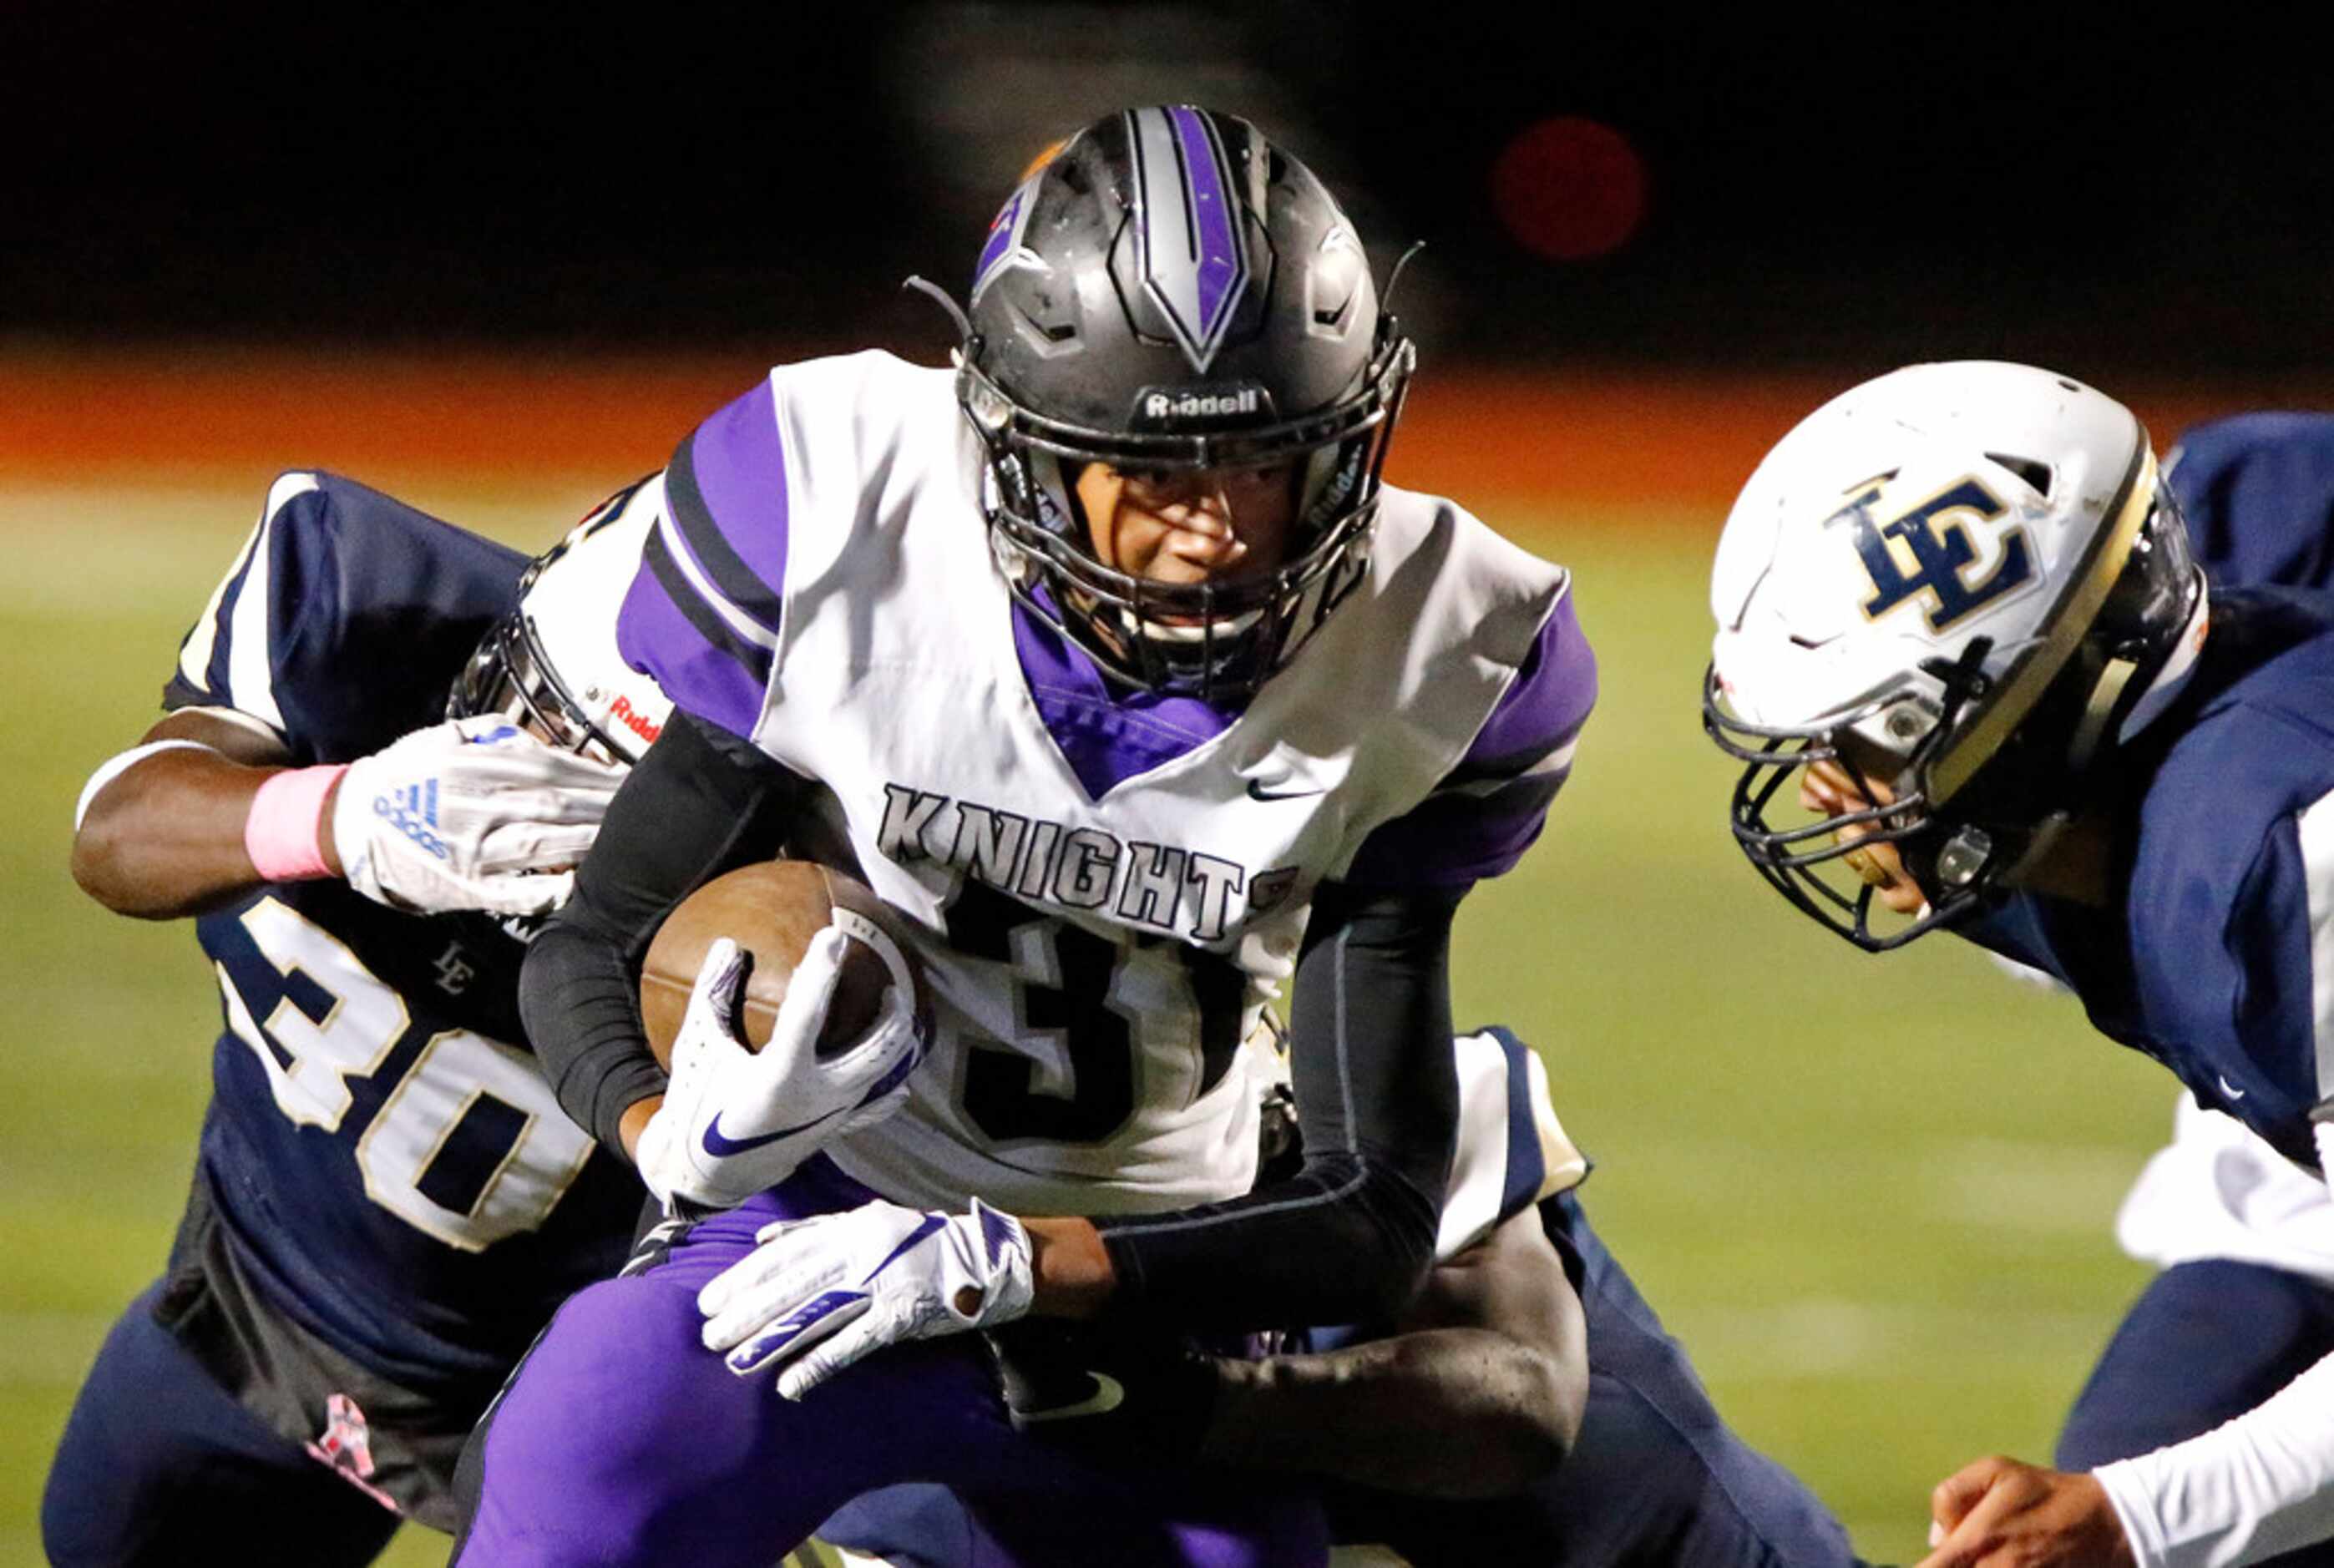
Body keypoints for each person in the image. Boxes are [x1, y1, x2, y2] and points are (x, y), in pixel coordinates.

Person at [456, 104, 1594, 1565]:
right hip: (808, 1241)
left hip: (1141, 1299)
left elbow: (1369, 1211)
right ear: (1017, 442)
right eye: (1157, 475)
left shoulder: (1456, 645)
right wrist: (663, 1129)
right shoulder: (837, 501)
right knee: (589, 1436)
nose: (1218, 532)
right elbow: (599, 942)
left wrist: (1025, 1268)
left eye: (1271, 464)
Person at [1704, 361, 2334, 1567]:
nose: (1834, 790)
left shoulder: (2283, 847)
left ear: (2026, 722)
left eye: (1869, 739)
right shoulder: (2224, 526)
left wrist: (2139, 1520)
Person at [43, 472, 671, 1565]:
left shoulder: (799, 857)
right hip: (254, 1307)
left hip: (564, 1405)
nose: (558, 766)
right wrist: (338, 814)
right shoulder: (362, 603)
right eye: (546, 705)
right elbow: (115, 831)